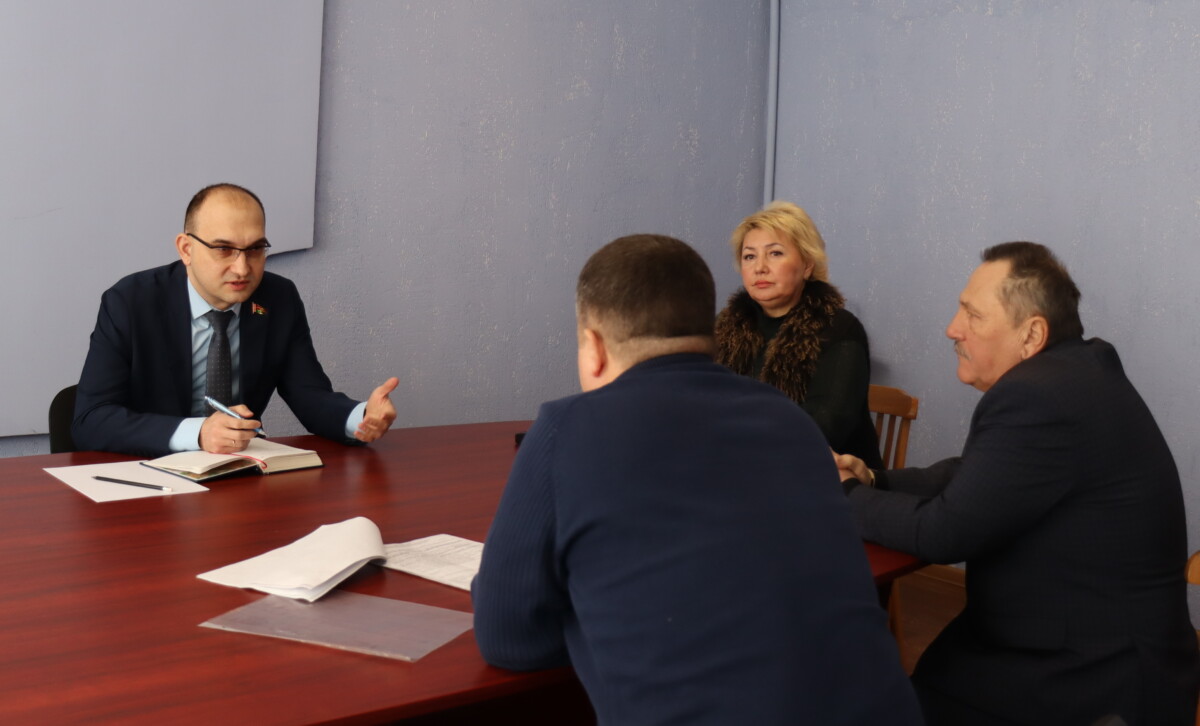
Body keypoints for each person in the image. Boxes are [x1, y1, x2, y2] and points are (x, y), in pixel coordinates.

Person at [472, 234, 922, 725]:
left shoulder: (565, 429)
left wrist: (597, 613)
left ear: (593, 347)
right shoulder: (790, 420)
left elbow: (507, 638)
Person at [836, 242, 1200, 725]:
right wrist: (875, 479)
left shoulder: (1039, 394)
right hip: (1062, 646)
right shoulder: (1074, 371)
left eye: (973, 315)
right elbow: (977, 472)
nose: (953, 328)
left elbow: (944, 533)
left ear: (1031, 335)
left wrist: (843, 495)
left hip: (1092, 682)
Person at [73, 183, 398, 457]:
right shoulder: (130, 302)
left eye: (255, 249)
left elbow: (309, 396)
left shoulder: (277, 299)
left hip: (236, 475)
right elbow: (91, 420)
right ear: (186, 249)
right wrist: (199, 433)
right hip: (147, 478)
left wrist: (361, 417)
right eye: (224, 249)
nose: (243, 269)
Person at [716, 201, 882, 467]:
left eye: (775, 253)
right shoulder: (724, 327)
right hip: (739, 465)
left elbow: (824, 428)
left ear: (807, 265)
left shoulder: (839, 329)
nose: (760, 267)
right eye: (749, 256)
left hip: (830, 476)